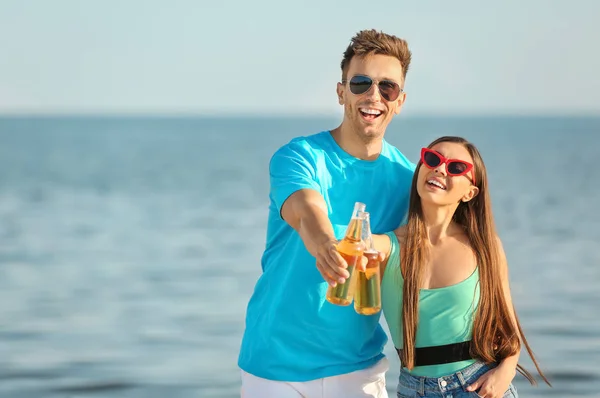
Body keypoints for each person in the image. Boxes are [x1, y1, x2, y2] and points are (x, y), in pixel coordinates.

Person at [238, 29, 415, 397]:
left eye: (388, 88)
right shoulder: (300, 156)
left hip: (358, 371)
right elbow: (305, 209)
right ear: (341, 92)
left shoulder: (408, 181)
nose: (373, 96)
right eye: (361, 83)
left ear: (400, 101)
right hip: (274, 369)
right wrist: (324, 245)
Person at [350, 136, 550, 397]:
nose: (440, 168)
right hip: (413, 390)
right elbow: (348, 244)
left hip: (478, 385)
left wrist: (506, 371)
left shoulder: (485, 247)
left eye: (455, 167)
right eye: (433, 159)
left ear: (470, 192)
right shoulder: (387, 246)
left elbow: (508, 329)